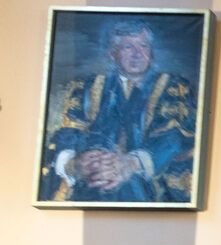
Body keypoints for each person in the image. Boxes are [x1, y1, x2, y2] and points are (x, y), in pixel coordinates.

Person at [40, 19, 199, 203]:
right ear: (112, 54)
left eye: (143, 46)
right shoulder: (87, 87)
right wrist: (75, 163)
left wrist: (131, 163)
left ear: (151, 53)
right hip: (91, 182)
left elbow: (174, 138)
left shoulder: (173, 87)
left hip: (150, 186)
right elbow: (69, 133)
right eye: (127, 47)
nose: (137, 54)